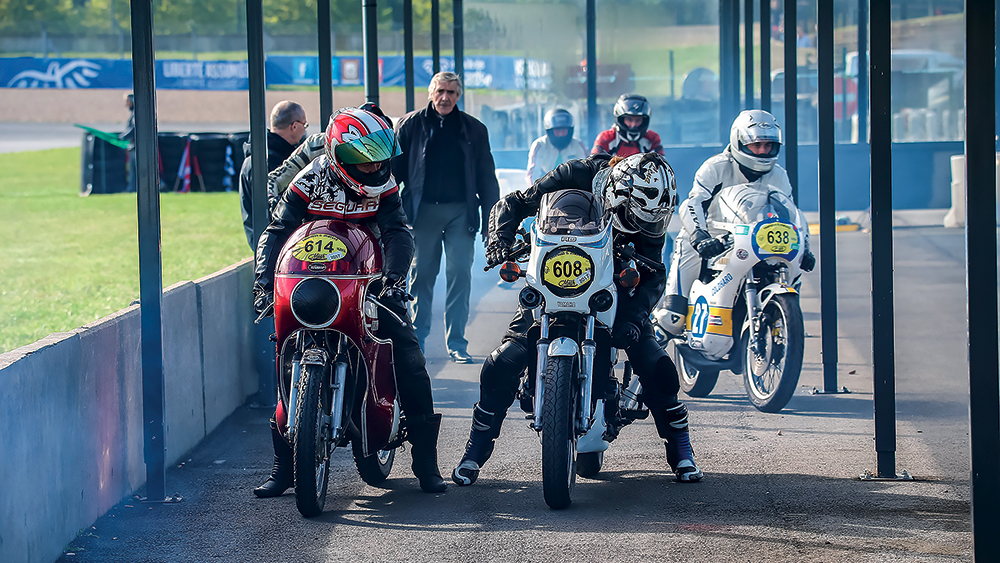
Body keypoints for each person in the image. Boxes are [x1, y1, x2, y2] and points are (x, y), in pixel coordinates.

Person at [451, 151, 704, 487]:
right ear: (617, 196)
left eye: (652, 220)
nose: (645, 226)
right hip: (554, 275)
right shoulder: (574, 173)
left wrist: (634, 317)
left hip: (613, 283)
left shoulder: (649, 216)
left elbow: (655, 273)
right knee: (505, 359)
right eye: (636, 216)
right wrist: (499, 240)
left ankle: (681, 450)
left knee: (654, 361)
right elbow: (513, 204)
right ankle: (474, 450)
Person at [251, 106, 447, 496]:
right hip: (313, 284)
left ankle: (426, 461)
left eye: (379, 156)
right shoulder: (309, 181)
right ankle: (282, 467)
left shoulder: (386, 185)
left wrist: (393, 279)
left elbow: (398, 232)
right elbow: (276, 231)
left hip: (371, 283)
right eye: (362, 157)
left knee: (408, 353)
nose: (373, 166)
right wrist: (261, 283)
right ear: (338, 153)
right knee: (285, 359)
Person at [658, 109, 816, 336]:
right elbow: (692, 204)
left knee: (792, 270)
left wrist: (806, 248)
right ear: (739, 142)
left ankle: (783, 322)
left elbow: (793, 214)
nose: (763, 151)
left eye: (768, 146)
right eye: (756, 145)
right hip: (709, 237)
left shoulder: (779, 175)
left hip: (756, 239)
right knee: (672, 319)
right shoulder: (715, 167)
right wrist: (700, 238)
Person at [393, 72, 500, 363]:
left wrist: (494, 222)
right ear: (430, 93)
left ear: (459, 96)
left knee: (460, 276)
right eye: (440, 91)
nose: (445, 97)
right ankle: (418, 340)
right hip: (422, 210)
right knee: (422, 276)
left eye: (452, 92)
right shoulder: (410, 125)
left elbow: (486, 179)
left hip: (460, 212)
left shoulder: (474, 129)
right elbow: (394, 174)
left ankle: (457, 343)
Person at [239, 100, 309, 249]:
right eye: (305, 125)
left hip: (264, 240)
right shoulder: (272, 162)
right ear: (294, 126)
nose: (305, 131)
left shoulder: (257, 157)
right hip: (276, 243)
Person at [526, 108, 589, 185]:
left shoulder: (578, 145)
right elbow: (532, 174)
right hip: (546, 185)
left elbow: (587, 170)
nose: (561, 134)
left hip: (573, 186)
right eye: (557, 131)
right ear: (550, 131)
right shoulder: (540, 145)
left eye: (564, 130)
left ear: (570, 130)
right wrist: (535, 192)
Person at [591, 94, 665, 157]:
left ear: (644, 121)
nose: (633, 125)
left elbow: (661, 166)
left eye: (638, 120)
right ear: (620, 119)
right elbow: (595, 164)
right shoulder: (605, 138)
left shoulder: (652, 138)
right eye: (629, 120)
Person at [120, 93, 136, 193]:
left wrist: (123, 137)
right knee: (133, 170)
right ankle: (131, 188)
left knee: (138, 169)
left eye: (128, 101)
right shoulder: (134, 113)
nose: (126, 104)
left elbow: (134, 129)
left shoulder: (136, 114)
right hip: (133, 146)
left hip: (136, 146)